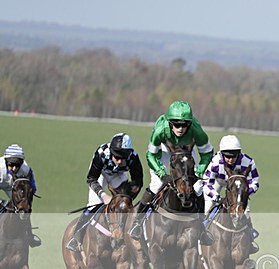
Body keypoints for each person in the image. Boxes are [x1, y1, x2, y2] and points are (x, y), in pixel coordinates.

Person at [129, 100, 214, 243]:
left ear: (190, 123)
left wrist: (199, 170)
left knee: (198, 187)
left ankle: (201, 228)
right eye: (177, 124)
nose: (181, 128)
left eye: (185, 124)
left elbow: (208, 153)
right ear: (170, 122)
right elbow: (151, 155)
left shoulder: (197, 131)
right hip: (164, 150)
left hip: (186, 152)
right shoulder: (160, 130)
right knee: (157, 184)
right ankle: (137, 223)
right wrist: (162, 173)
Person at [65, 133, 144, 252]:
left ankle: (130, 234)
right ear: (111, 152)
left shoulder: (133, 157)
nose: (119, 162)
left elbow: (138, 181)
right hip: (100, 175)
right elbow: (91, 179)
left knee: (123, 207)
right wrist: (103, 194)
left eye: (122, 159)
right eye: (116, 157)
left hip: (119, 175)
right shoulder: (101, 153)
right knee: (93, 205)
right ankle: (76, 238)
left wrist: (128, 198)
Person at [199, 134, 261, 254]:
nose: (230, 159)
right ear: (222, 153)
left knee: (245, 209)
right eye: (227, 156)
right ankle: (201, 232)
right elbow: (207, 182)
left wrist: (244, 193)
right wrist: (216, 196)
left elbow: (255, 181)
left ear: (239, 153)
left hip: (238, 186)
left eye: (234, 155)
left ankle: (249, 236)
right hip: (218, 181)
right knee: (208, 203)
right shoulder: (215, 161)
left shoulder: (248, 162)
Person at [0, 144, 41, 247]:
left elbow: (32, 188)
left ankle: (30, 235)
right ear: (5, 162)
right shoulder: (0, 169)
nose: (13, 168)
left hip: (13, 186)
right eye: (10, 165)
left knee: (23, 207)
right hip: (2, 182)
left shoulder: (26, 170)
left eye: (17, 165)